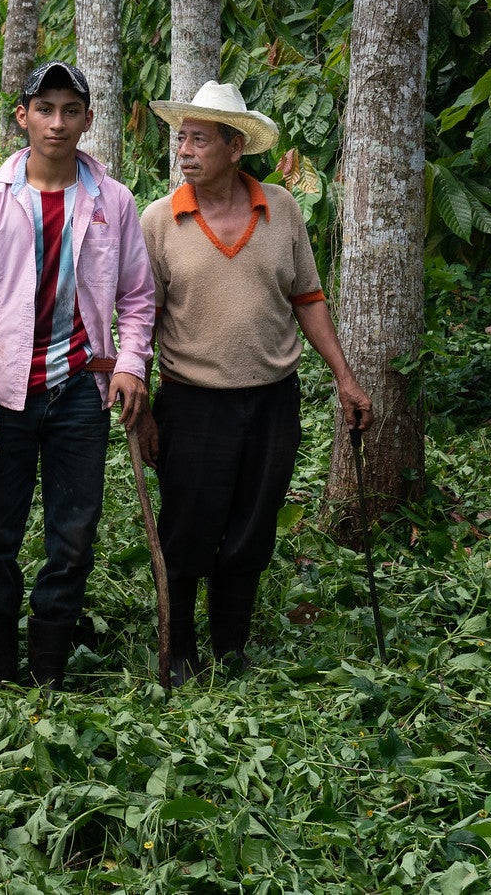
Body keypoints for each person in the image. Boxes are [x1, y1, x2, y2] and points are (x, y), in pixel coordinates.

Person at [142, 81, 374, 682]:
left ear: (235, 146)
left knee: (253, 519)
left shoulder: (281, 209)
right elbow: (143, 318)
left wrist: (344, 377)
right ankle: (180, 648)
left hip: (272, 399)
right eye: (181, 138)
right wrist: (140, 402)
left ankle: (231, 645)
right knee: (188, 523)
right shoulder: (160, 222)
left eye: (198, 139)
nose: (185, 151)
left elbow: (308, 297)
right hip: (193, 403)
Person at [0, 61, 157, 703]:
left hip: (79, 394)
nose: (57, 123)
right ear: (24, 116)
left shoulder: (112, 201)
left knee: (73, 537)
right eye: (45, 109)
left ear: (87, 121)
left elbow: (136, 295)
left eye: (71, 111)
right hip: (8, 397)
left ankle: (47, 674)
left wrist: (130, 364)